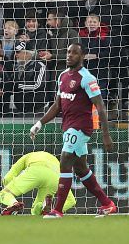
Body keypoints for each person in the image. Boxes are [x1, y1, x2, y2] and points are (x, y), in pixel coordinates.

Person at [30, 43, 117, 218]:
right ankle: (108, 204)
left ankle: (57, 210)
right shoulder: (62, 76)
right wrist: (39, 123)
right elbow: (57, 105)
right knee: (81, 169)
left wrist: (106, 135)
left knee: (65, 159)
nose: (69, 55)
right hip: (68, 126)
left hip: (81, 127)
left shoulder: (87, 78)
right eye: (68, 52)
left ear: (82, 56)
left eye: (74, 53)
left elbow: (100, 107)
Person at [0, 151, 76, 216]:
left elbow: (8, 177)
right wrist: (56, 210)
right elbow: (71, 201)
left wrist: (9, 194)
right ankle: (45, 207)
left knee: (3, 194)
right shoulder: (56, 162)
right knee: (35, 212)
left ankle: (13, 204)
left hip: (35, 170)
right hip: (54, 177)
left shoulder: (26, 156)